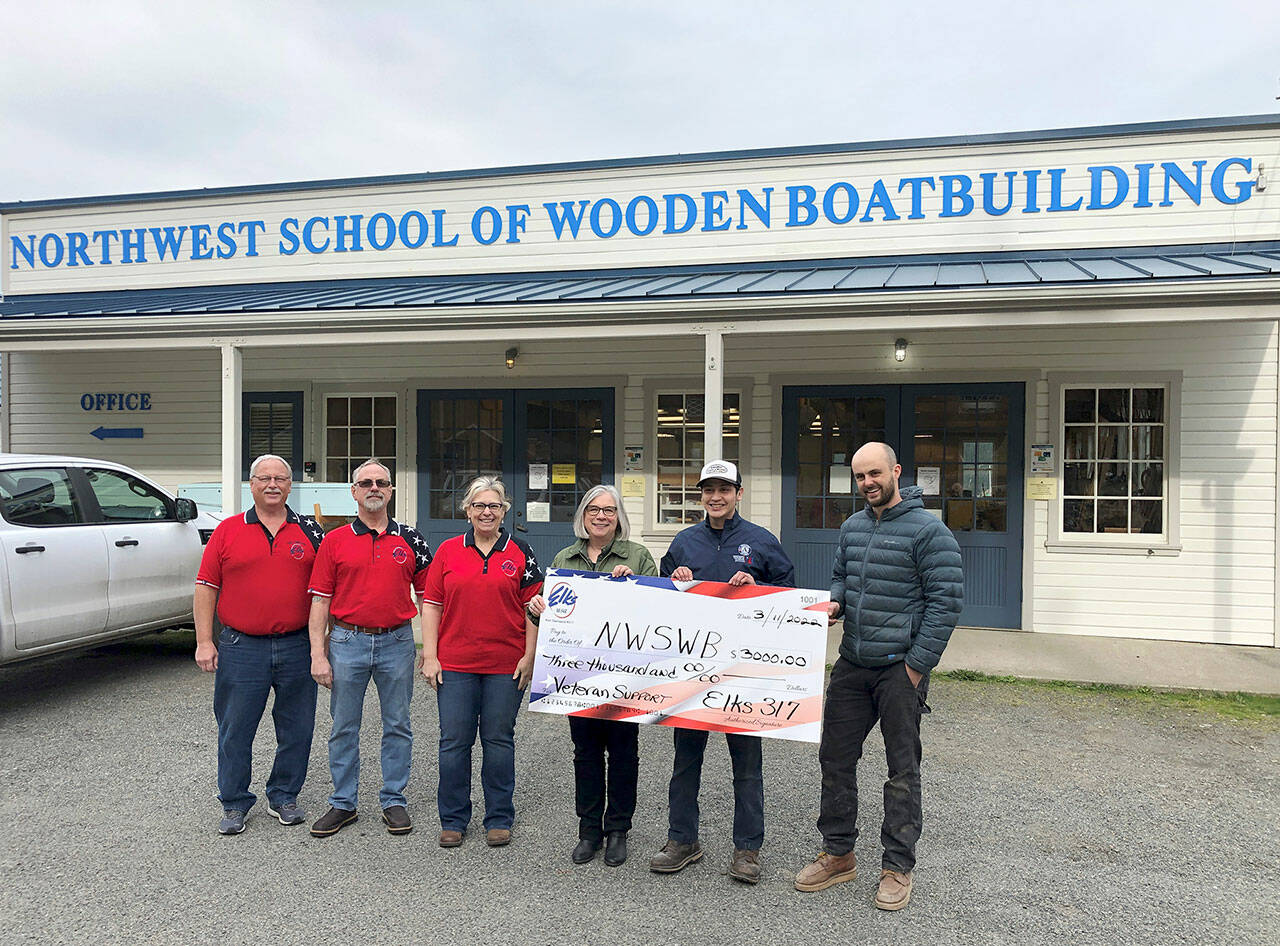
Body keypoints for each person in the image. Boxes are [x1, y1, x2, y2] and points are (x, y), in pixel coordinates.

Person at [795, 441, 963, 911]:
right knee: (835, 758)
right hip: (853, 662)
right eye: (859, 476)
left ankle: (897, 866)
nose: (867, 483)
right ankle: (839, 852)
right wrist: (835, 602)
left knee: (902, 770)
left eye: (874, 473)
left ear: (896, 471)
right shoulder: (852, 527)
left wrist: (914, 667)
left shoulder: (930, 531)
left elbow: (945, 603)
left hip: (898, 669)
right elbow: (842, 578)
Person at [648, 459, 795, 885]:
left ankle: (747, 849)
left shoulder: (761, 541)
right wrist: (673, 577)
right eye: (709, 490)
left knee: (747, 765)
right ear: (701, 496)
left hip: (743, 673)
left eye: (724, 490)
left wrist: (758, 587)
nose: (716, 497)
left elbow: (788, 594)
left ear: (738, 494)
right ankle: (682, 840)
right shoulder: (684, 541)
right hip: (692, 672)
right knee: (685, 760)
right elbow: (658, 601)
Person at [194, 454, 326, 835]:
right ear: (250, 485)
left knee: (297, 728)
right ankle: (234, 802)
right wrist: (205, 640)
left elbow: (326, 592)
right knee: (235, 728)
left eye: (281, 478)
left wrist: (323, 644)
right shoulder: (228, 530)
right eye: (264, 478)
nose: (272, 484)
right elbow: (206, 587)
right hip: (241, 646)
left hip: (296, 645)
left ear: (290, 485)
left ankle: (284, 794)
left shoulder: (311, 532)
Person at [527, 485, 657, 868]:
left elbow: (660, 611)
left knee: (622, 752)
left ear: (619, 517)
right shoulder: (565, 557)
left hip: (623, 674)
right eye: (594, 510)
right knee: (585, 753)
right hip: (576, 675)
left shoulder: (638, 555)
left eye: (609, 511)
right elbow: (551, 617)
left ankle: (618, 829)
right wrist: (537, 608)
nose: (602, 517)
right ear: (583, 515)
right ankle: (589, 830)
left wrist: (635, 584)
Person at [306, 459, 432, 838]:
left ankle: (393, 800)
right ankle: (343, 803)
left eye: (381, 482)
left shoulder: (411, 539)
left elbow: (429, 599)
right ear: (354, 491)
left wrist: (430, 649)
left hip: (397, 641)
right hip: (347, 641)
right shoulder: (333, 541)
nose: (374, 488)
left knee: (398, 724)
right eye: (366, 482)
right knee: (344, 726)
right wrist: (317, 653)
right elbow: (319, 602)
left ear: (391, 490)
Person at [419, 476, 542, 848]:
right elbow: (432, 604)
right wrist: (430, 655)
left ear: (504, 511)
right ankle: (453, 819)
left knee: (499, 741)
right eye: (478, 506)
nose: (486, 512)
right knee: (454, 742)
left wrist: (530, 656)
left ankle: (499, 817)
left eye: (494, 506)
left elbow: (534, 609)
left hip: (505, 665)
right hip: (455, 664)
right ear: (467, 511)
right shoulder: (447, 551)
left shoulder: (520, 551)